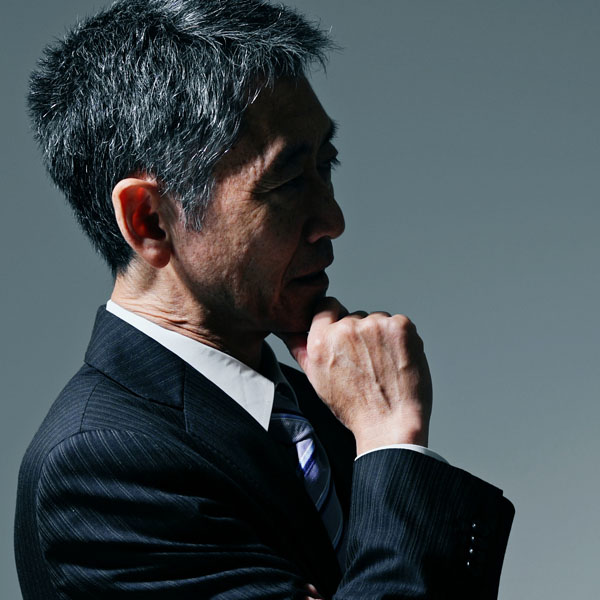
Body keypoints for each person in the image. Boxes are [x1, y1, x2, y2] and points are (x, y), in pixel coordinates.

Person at [15, 0, 514, 598]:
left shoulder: (318, 404)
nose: (332, 219)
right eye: (288, 181)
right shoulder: (97, 467)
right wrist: (389, 443)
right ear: (150, 220)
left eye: (327, 165)